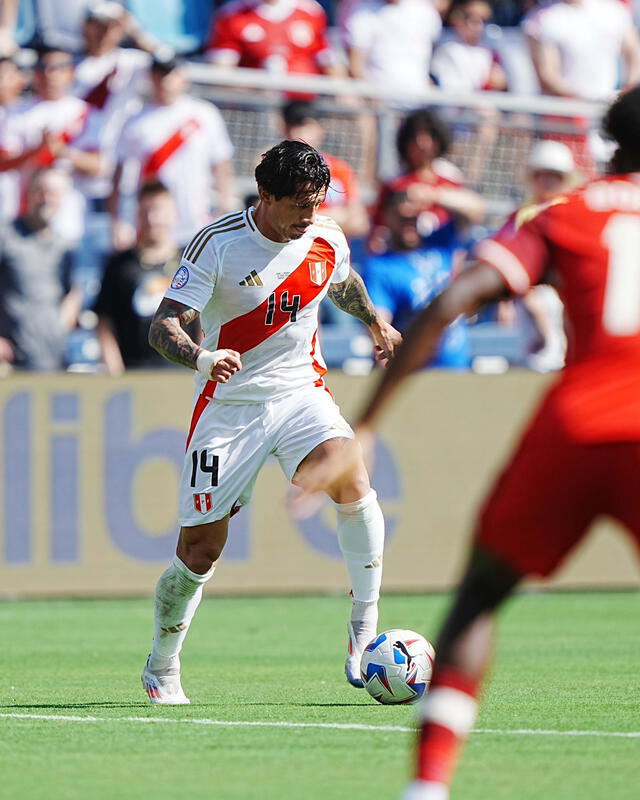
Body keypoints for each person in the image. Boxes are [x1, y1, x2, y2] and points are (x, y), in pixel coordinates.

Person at [291, 86, 640, 799]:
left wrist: (366, 427)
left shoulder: (563, 214)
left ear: (609, 139)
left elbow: (452, 300)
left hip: (573, 426)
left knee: (480, 597)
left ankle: (428, 787)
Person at [140, 140, 402, 704]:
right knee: (199, 553)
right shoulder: (217, 244)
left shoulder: (325, 235)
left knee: (352, 480)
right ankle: (162, 664)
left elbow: (344, 283)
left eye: (316, 204)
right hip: (229, 408)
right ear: (265, 196)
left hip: (300, 393)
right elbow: (164, 327)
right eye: (297, 207)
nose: (307, 218)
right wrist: (202, 357)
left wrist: (374, 323)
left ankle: (363, 628)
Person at [111, 54, 236, 250]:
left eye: (171, 74)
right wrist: (117, 221)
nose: (166, 81)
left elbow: (221, 164)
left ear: (182, 77)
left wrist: (224, 207)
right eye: (159, 74)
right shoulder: (135, 119)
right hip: (151, 223)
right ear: (151, 78)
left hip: (196, 220)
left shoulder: (204, 113)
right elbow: (118, 175)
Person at [94, 180, 196, 373]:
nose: (152, 218)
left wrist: (200, 365)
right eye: (146, 211)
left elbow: (204, 319)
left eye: (158, 210)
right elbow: (105, 321)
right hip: (134, 372)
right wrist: (115, 369)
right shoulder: (119, 264)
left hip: (181, 373)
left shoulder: (190, 262)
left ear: (174, 214)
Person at [361, 189, 470, 368]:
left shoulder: (440, 243)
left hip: (457, 366)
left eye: (413, 217)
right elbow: (380, 324)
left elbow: (473, 210)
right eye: (401, 217)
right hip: (416, 370)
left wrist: (434, 195)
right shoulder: (381, 267)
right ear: (387, 217)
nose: (408, 224)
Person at [0, 168, 80, 370]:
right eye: (40, 191)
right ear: (28, 194)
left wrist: (60, 327)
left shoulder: (66, 248)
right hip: (10, 364)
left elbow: (73, 292)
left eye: (53, 193)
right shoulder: (6, 237)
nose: (46, 198)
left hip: (53, 360)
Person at [281, 99, 369, 240]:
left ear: (320, 130)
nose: (296, 133)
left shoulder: (339, 169)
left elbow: (359, 223)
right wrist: (336, 216)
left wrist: (308, 218)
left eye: (304, 126)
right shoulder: (277, 168)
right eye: (291, 126)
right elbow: (278, 218)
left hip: (331, 254)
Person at [207, 0, 342, 77]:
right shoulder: (233, 14)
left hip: (301, 101)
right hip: (254, 102)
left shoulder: (310, 11)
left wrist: (343, 93)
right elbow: (222, 71)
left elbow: (328, 60)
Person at [339, 0, 443, 93]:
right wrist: (372, 97)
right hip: (379, 104)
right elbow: (356, 66)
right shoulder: (362, 12)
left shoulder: (426, 11)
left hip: (421, 103)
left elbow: (433, 55)